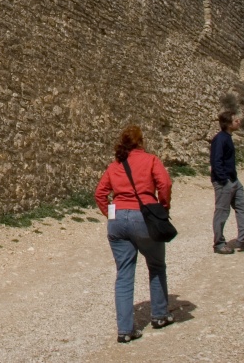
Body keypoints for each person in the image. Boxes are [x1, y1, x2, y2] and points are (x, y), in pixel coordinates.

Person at [95, 124, 175, 343]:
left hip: (118, 220)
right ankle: (159, 315)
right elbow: (165, 183)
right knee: (156, 265)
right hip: (145, 218)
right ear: (141, 142)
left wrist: (111, 214)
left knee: (124, 274)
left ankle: (125, 330)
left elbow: (100, 193)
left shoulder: (115, 166)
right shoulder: (150, 160)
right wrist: (162, 207)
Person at [210, 111, 244, 254]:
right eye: (235, 120)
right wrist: (223, 180)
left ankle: (243, 240)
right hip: (224, 182)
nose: (239, 121)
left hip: (233, 181)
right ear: (228, 123)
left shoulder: (227, 138)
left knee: (243, 207)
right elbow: (216, 161)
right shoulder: (220, 139)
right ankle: (219, 244)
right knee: (222, 213)